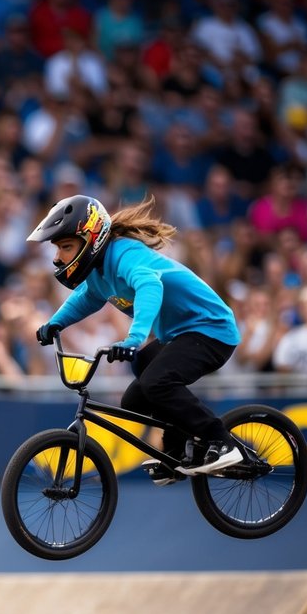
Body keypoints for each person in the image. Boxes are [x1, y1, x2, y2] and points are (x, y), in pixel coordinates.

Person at [30, 195, 243, 483]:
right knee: (135, 398)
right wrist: (55, 323)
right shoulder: (98, 273)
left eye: (65, 247)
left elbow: (149, 285)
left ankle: (222, 442)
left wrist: (134, 337)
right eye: (58, 249)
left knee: (157, 381)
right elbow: (86, 298)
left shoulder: (125, 254)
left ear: (91, 238)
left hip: (212, 330)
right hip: (181, 334)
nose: (58, 257)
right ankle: (179, 450)